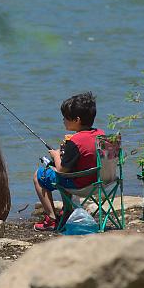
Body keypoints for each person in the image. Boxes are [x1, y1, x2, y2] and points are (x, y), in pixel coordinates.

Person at [33, 91, 104, 231]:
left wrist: (56, 155)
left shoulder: (75, 141)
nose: (63, 120)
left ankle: (51, 219)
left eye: (65, 117)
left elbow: (61, 170)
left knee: (39, 175)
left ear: (76, 120)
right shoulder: (100, 134)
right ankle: (67, 211)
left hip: (80, 185)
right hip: (99, 181)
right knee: (67, 173)